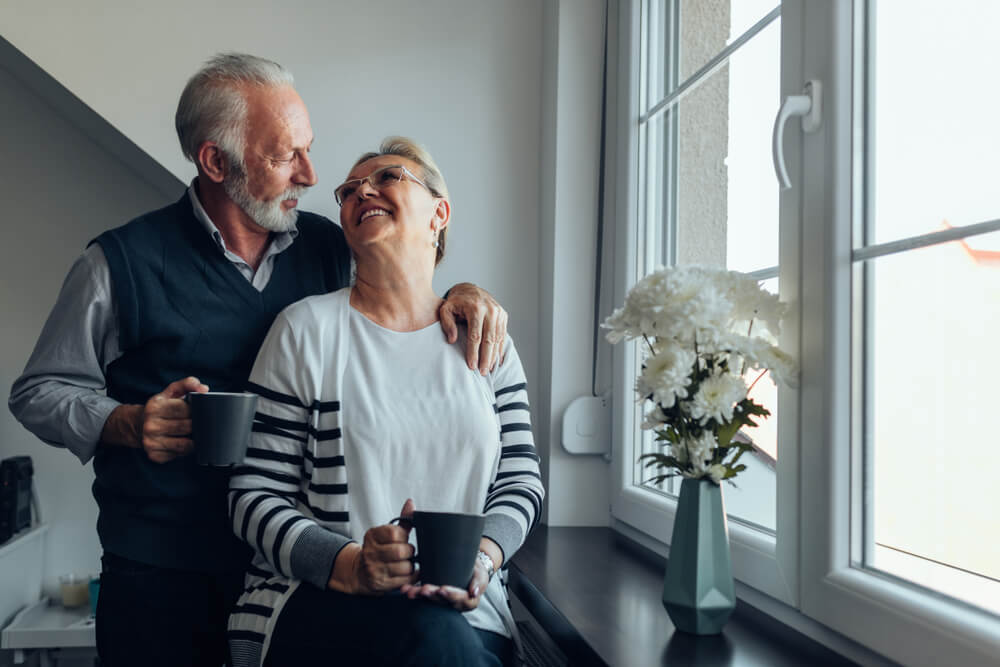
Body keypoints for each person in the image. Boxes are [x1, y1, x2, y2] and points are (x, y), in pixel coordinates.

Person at [7, 55, 507, 667]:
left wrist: (464, 296)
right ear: (216, 162)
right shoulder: (119, 263)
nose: (309, 173)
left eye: (308, 149)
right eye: (283, 156)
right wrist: (127, 422)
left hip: (295, 566)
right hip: (163, 564)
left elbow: (401, 295)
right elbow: (39, 389)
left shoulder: (327, 245)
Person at [226, 137, 543, 667]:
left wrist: (483, 561)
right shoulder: (306, 330)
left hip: (470, 614)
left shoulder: (486, 338)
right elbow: (253, 493)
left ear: (439, 213)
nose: (362, 190)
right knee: (433, 639)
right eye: (349, 190)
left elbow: (520, 478)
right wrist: (350, 564)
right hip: (323, 600)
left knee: (443, 638)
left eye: (388, 177)